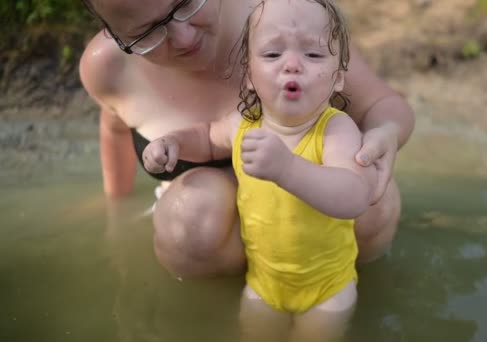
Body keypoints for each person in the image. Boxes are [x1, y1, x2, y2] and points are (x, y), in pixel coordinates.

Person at [79, 0, 415, 278]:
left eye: (185, 4)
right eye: (147, 33)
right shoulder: (106, 67)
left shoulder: (279, 14)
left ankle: (361, 287)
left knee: (372, 200)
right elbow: (115, 125)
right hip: (213, 240)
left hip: (317, 215)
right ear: (115, 35)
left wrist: (385, 133)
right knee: (191, 212)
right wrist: (115, 206)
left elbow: (381, 103)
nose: (182, 38)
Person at [142, 1, 374, 340]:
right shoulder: (244, 124)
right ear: (249, 75)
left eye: (312, 55)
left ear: (338, 77)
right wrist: (173, 142)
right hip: (262, 284)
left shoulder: (336, 130)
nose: (292, 65)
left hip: (327, 290)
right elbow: (206, 138)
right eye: (272, 54)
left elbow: (354, 196)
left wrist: (288, 168)